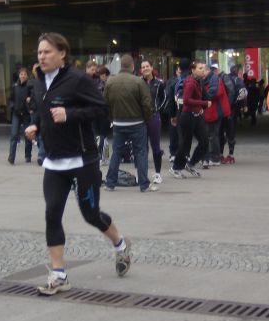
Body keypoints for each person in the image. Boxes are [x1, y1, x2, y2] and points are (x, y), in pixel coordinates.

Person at [24, 33, 132, 295]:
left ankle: (120, 244)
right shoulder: (38, 82)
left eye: (47, 52)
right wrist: (36, 125)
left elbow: (101, 109)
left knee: (90, 214)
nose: (42, 57)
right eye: (39, 52)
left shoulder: (78, 80)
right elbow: (42, 110)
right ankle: (59, 274)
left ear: (62, 54)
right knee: (52, 214)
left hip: (83, 160)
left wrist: (70, 114)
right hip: (53, 161)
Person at [104, 54, 156, 192]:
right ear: (133, 66)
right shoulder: (138, 82)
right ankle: (144, 184)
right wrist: (147, 118)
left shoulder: (110, 82)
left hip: (119, 123)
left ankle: (110, 183)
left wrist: (112, 118)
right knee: (140, 152)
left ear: (121, 66)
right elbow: (146, 104)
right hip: (137, 122)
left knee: (117, 152)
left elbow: (105, 104)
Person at [169, 60, 211, 178]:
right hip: (187, 116)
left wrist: (205, 103)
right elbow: (187, 100)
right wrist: (204, 103)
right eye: (200, 68)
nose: (203, 70)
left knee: (204, 141)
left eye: (204, 68)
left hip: (197, 115)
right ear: (193, 70)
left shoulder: (199, 81)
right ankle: (175, 167)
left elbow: (203, 95)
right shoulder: (190, 82)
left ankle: (191, 164)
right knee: (185, 144)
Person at [140, 59, 166, 184]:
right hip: (140, 118)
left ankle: (157, 174)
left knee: (155, 146)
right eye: (143, 67)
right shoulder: (138, 82)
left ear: (151, 68)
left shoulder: (159, 83)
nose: (145, 68)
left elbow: (164, 98)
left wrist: (157, 109)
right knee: (141, 147)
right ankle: (142, 174)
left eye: (147, 66)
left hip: (154, 117)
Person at [203, 62, 230, 168]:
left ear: (207, 70)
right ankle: (212, 156)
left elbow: (214, 93)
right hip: (213, 110)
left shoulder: (213, 79)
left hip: (215, 111)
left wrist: (201, 98)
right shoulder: (212, 78)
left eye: (202, 70)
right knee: (212, 134)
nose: (201, 73)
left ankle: (214, 157)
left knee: (212, 135)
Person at [8, 67, 32, 164]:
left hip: (26, 113)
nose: (23, 76)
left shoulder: (30, 86)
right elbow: (10, 99)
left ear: (27, 76)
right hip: (16, 114)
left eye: (24, 74)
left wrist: (30, 99)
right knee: (14, 135)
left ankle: (28, 155)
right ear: (19, 75)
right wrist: (13, 106)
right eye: (21, 74)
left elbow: (34, 97)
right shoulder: (14, 87)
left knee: (28, 135)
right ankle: (11, 157)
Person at [27, 63, 45, 165]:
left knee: (42, 134)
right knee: (37, 134)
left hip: (42, 110)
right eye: (35, 69)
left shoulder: (44, 82)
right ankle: (42, 151)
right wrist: (28, 104)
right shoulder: (31, 83)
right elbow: (25, 96)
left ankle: (41, 155)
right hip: (33, 110)